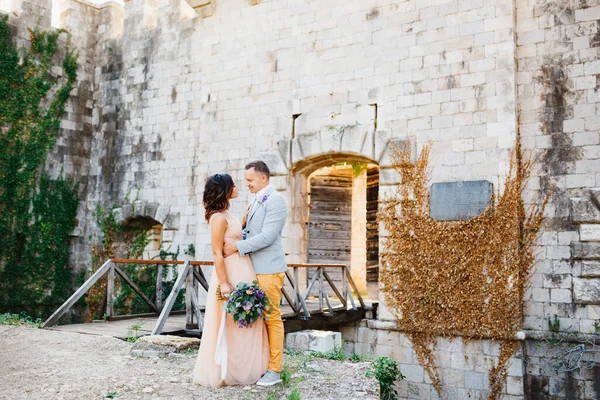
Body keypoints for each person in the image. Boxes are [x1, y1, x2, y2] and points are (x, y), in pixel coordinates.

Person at [192, 173, 269, 387]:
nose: (237, 187)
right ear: (224, 190)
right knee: (231, 320)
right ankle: (231, 371)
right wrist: (224, 283)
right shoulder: (218, 217)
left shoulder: (228, 213)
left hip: (242, 268)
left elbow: (233, 238)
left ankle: (248, 367)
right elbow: (217, 253)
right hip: (230, 271)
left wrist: (242, 223)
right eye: (233, 185)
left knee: (246, 319)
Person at [223, 161, 288, 387]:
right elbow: (251, 231)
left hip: (269, 269)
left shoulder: (276, 201)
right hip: (254, 269)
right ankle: (261, 364)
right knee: (259, 320)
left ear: (263, 178)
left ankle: (275, 370)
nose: (247, 184)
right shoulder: (255, 200)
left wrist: (236, 247)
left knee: (272, 317)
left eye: (250, 180)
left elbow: (269, 236)